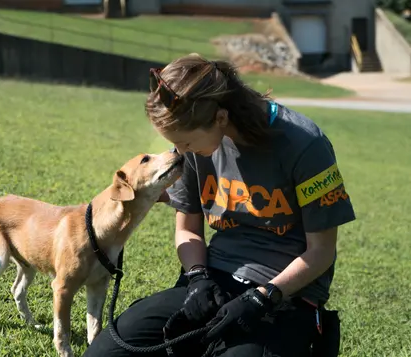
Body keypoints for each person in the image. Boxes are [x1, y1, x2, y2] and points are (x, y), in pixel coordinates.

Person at [82, 53, 356, 357]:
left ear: (221, 118)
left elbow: (321, 252)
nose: (179, 153)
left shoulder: (306, 145)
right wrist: (198, 277)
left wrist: (262, 298)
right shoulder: (191, 148)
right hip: (213, 281)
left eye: (186, 143)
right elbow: (188, 230)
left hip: (285, 296)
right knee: (103, 353)